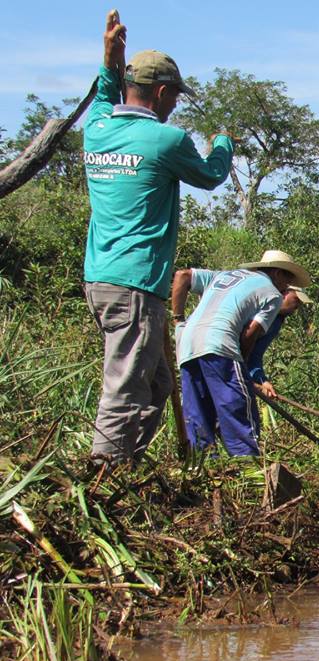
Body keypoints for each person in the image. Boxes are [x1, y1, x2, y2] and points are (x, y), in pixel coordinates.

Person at [83, 9, 234, 465]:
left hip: (99, 280)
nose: (175, 107)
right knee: (126, 383)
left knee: (157, 384)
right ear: (163, 93)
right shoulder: (165, 141)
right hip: (135, 285)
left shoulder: (98, 129)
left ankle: (128, 463)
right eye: (174, 99)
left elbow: (105, 93)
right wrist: (224, 141)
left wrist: (110, 56)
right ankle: (105, 473)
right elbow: (211, 175)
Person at [170, 251, 312, 457]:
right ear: (277, 273)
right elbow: (250, 334)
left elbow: (182, 275)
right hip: (220, 343)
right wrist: (242, 371)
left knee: (197, 413)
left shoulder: (223, 275)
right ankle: (247, 467)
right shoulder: (271, 294)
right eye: (288, 278)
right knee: (238, 410)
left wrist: (178, 321)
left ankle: (202, 467)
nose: (286, 287)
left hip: (187, 344)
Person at [247, 287, 313, 399]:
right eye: (296, 300)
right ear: (284, 293)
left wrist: (262, 380)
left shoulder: (277, 321)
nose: (297, 306)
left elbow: (254, 356)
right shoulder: (254, 304)